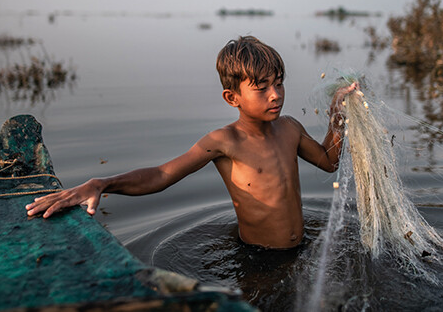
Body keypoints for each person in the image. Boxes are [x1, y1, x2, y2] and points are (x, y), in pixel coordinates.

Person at [26, 36, 356, 249]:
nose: (275, 95)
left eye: (279, 84)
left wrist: (337, 113)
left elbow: (329, 161)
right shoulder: (226, 142)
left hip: (301, 248)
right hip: (258, 259)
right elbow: (161, 175)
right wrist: (102, 182)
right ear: (232, 97)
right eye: (262, 87)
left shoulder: (290, 129)